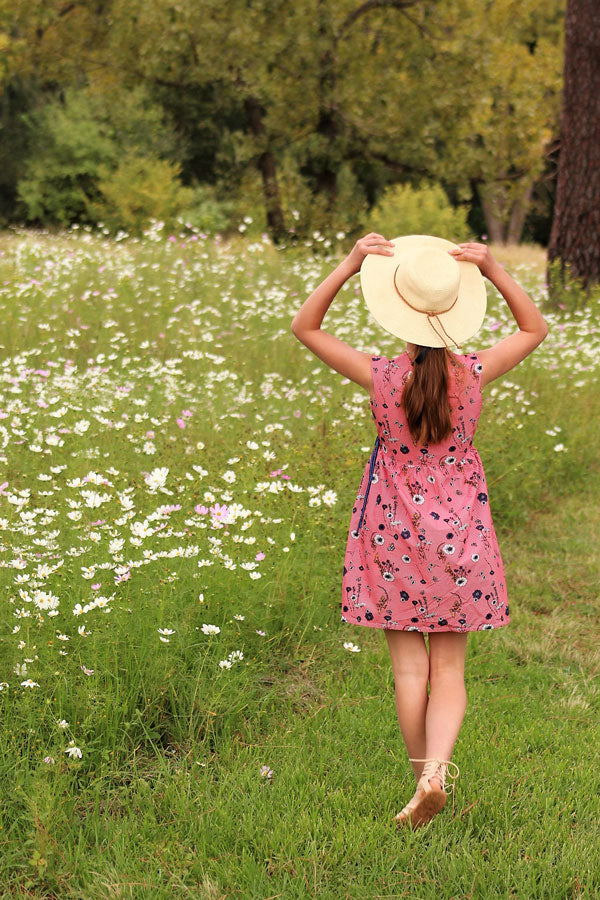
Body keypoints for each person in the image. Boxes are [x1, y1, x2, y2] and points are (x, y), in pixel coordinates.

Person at [290, 232, 548, 828]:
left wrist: (351, 264)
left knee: (410, 671)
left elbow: (306, 327)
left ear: (398, 310)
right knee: (449, 671)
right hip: (463, 536)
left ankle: (422, 782)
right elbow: (533, 329)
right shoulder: (474, 373)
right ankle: (435, 774)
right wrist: (495, 269)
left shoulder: (383, 377)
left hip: (393, 535)